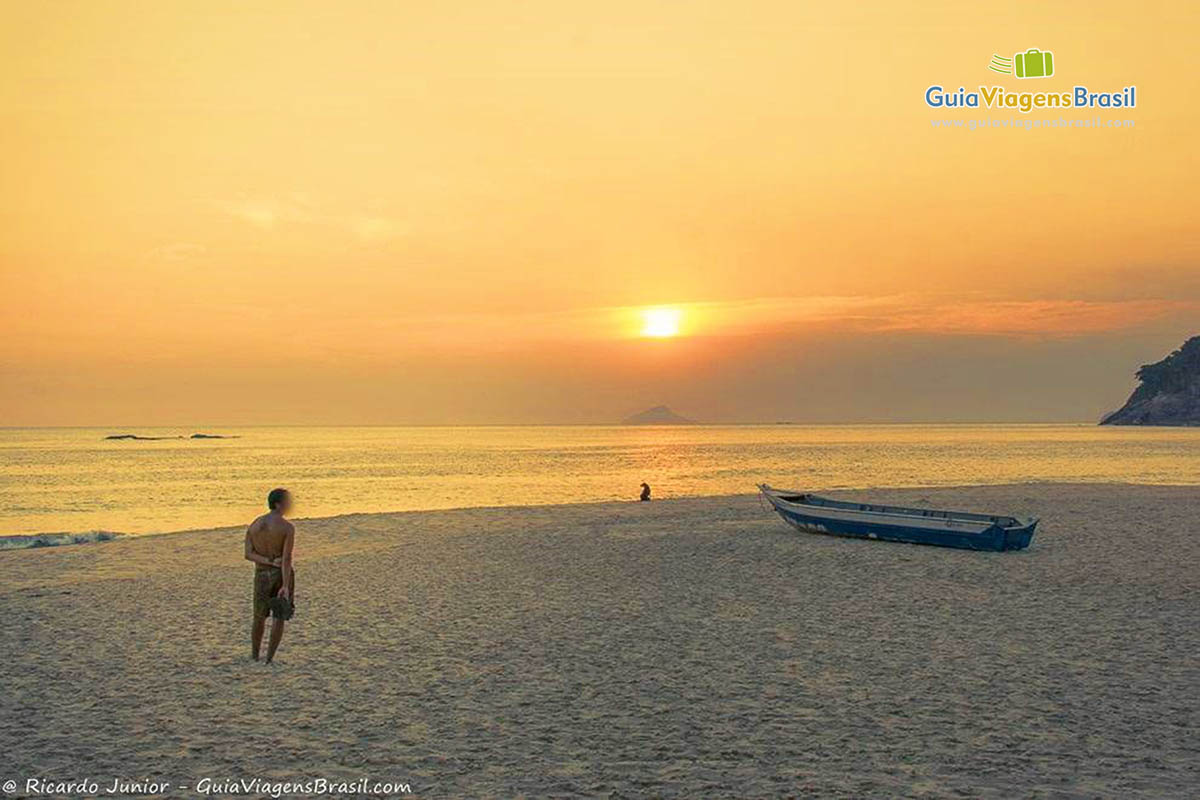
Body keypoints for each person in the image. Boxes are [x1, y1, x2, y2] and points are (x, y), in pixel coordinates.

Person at [244, 488, 295, 663]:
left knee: (258, 616)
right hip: (280, 573)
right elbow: (287, 557)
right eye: (288, 501)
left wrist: (266, 560)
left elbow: (248, 553)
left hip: (261, 573)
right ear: (279, 504)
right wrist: (286, 585)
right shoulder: (287, 527)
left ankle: (255, 655)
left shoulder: (255, 525)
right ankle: (269, 658)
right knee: (278, 616)